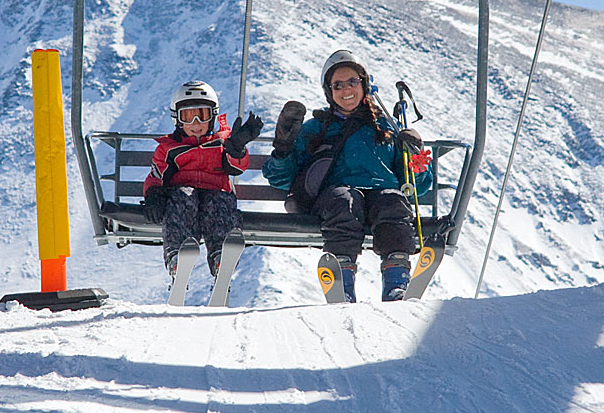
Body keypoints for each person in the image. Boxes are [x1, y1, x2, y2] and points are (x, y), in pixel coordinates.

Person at [262, 50, 431, 302]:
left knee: (393, 202)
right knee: (343, 201)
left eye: (352, 82)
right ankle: (343, 287)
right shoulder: (317, 128)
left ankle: (397, 285)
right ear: (329, 91)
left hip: (381, 195)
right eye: (338, 85)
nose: (346, 90)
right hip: (335, 197)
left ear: (364, 84)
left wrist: (415, 157)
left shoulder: (386, 127)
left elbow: (416, 188)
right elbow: (281, 179)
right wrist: (284, 148)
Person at [142, 80, 263, 280]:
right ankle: (177, 256)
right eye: (188, 116)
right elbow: (156, 176)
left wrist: (237, 149)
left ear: (213, 117)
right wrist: (153, 196)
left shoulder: (221, 144)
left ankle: (221, 255)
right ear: (177, 120)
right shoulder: (169, 149)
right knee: (182, 196)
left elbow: (236, 167)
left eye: (202, 115)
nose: (196, 123)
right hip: (185, 200)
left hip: (216, 197)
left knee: (220, 201)